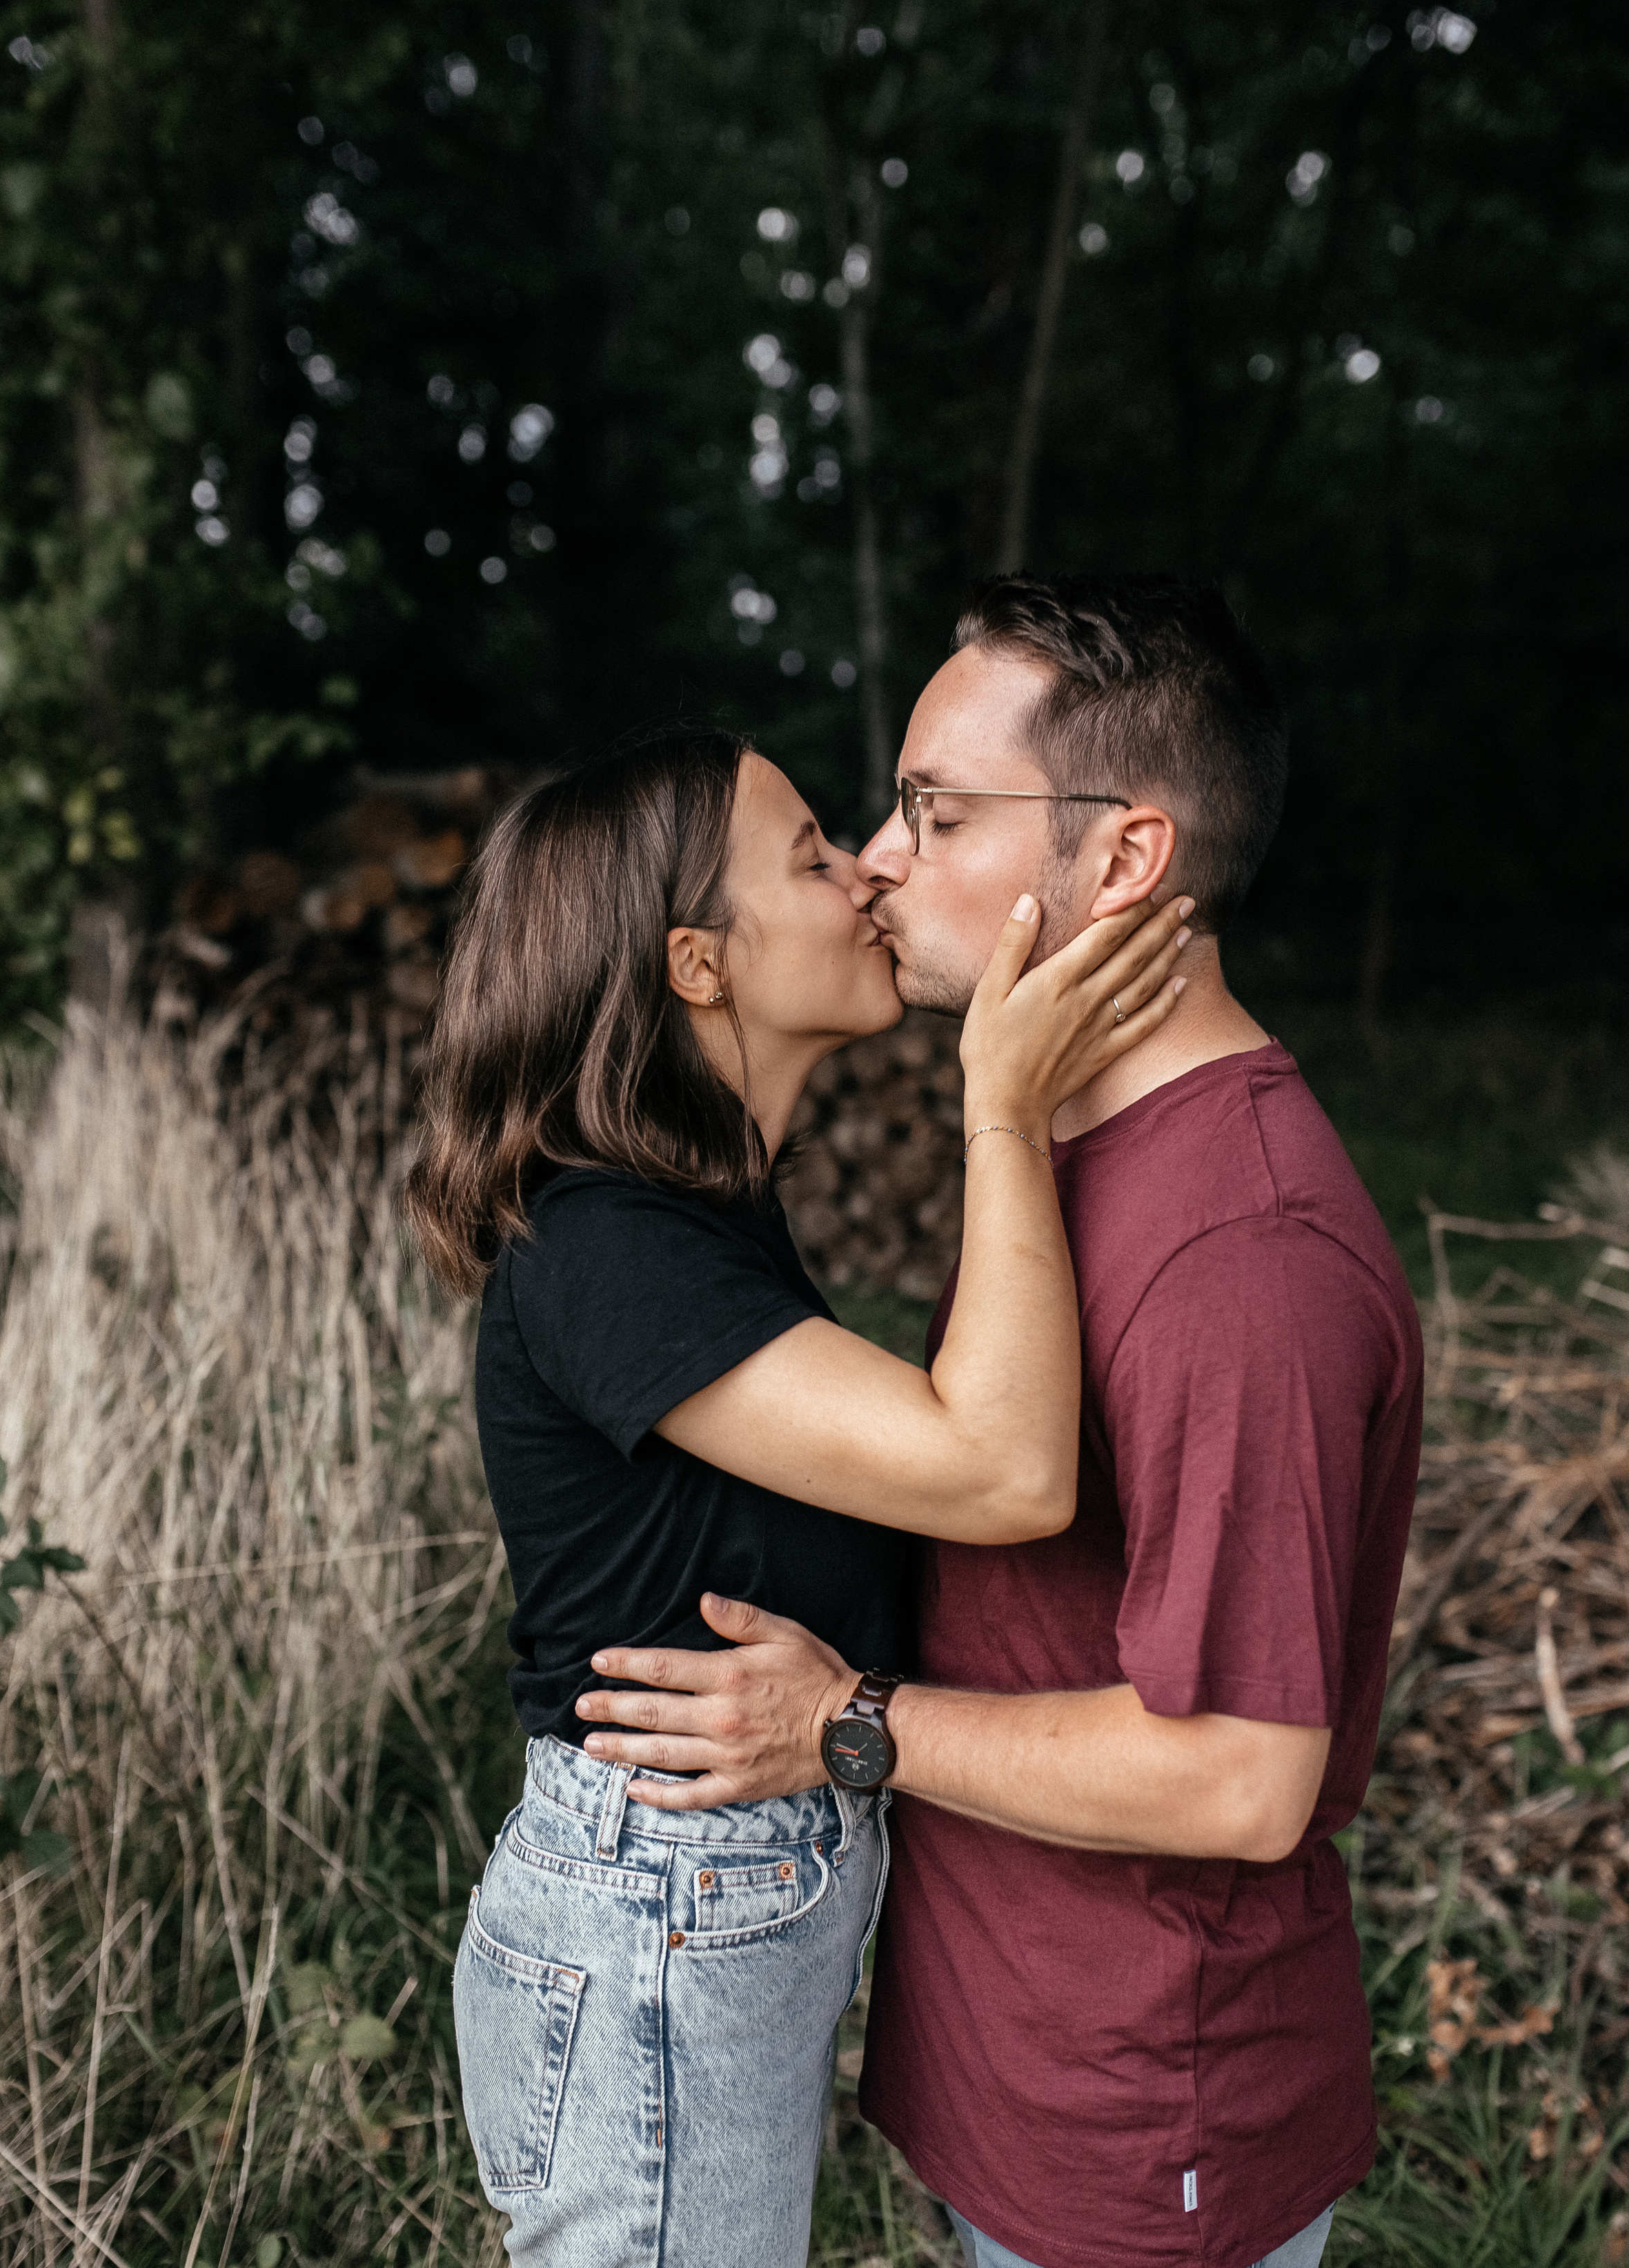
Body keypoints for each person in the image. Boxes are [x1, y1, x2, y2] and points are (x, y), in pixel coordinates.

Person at [575, 578, 1425, 2268]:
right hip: (1019, 2070)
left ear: (1121, 863)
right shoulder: (1055, 1141)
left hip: (1143, 2124)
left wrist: (847, 1722)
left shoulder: (1240, 1256)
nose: (877, 857)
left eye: (933, 810)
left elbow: (1249, 1774)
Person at [404, 721, 1194, 2268]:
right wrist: (1000, 1107)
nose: (866, 869)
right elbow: (1002, 1468)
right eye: (811, 854)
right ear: (698, 965)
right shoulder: (607, 1242)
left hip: (699, 1890)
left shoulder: (694, 1214)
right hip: (655, 1902)